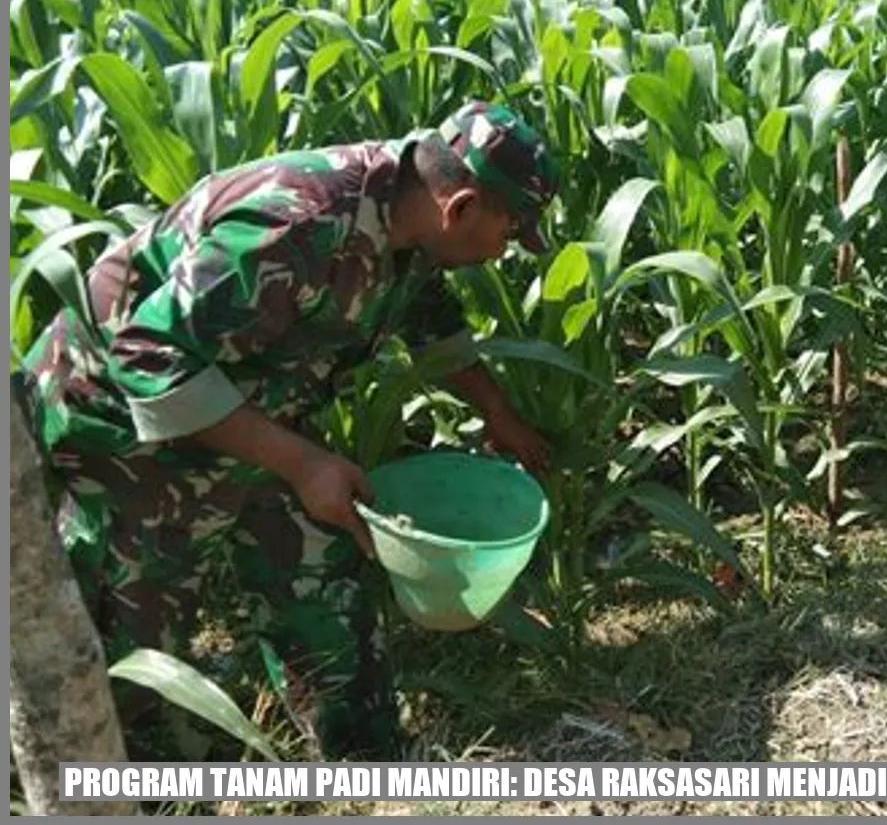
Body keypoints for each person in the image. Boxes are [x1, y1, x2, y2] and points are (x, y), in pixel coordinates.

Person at [15, 100, 559, 759]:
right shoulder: (298, 222)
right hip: (117, 409)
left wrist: (499, 415)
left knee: (319, 555)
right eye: (510, 233)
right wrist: (302, 463)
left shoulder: (411, 218)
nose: (505, 252)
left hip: (246, 398)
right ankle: (117, 773)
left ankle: (361, 756)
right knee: (136, 618)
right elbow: (145, 352)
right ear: (462, 207)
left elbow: (426, 317)